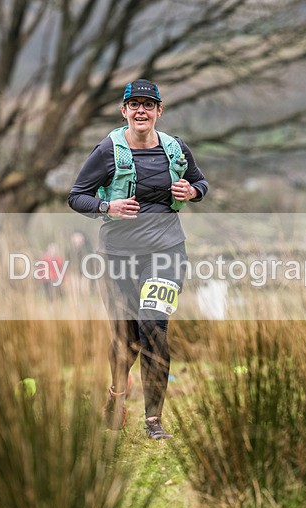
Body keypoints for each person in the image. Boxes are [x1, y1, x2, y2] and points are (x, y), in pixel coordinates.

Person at [68, 79, 208, 439]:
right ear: (124, 111)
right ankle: (117, 393)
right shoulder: (107, 151)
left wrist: (192, 191)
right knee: (124, 339)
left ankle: (153, 421)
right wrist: (107, 206)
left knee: (154, 328)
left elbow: (201, 184)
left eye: (149, 104)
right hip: (117, 257)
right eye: (135, 105)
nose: (141, 110)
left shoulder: (176, 149)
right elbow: (76, 196)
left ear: (159, 111)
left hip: (166, 251)